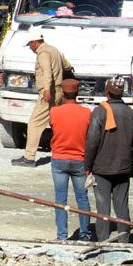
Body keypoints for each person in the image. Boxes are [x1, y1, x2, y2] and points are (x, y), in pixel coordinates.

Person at [84, 77, 133, 242]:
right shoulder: (131, 113)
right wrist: (132, 164)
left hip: (102, 168)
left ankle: (103, 242)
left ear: (107, 92)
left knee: (103, 208)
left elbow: (92, 142)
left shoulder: (100, 111)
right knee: (122, 206)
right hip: (124, 167)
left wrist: (87, 166)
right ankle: (124, 242)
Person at [12, 37, 73, 167]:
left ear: (36, 42)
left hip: (49, 93)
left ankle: (29, 157)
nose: (30, 48)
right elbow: (67, 66)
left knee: (34, 123)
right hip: (58, 92)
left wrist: (46, 90)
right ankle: (65, 152)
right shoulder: (54, 50)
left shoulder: (43, 53)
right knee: (57, 124)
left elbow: (47, 72)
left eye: (30, 45)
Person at [48, 78, 92, 240]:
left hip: (59, 159)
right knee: (82, 198)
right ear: (77, 93)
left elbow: (53, 126)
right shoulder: (87, 113)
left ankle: (62, 236)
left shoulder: (54, 112)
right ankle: (85, 234)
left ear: (63, 93)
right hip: (80, 159)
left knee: (60, 199)